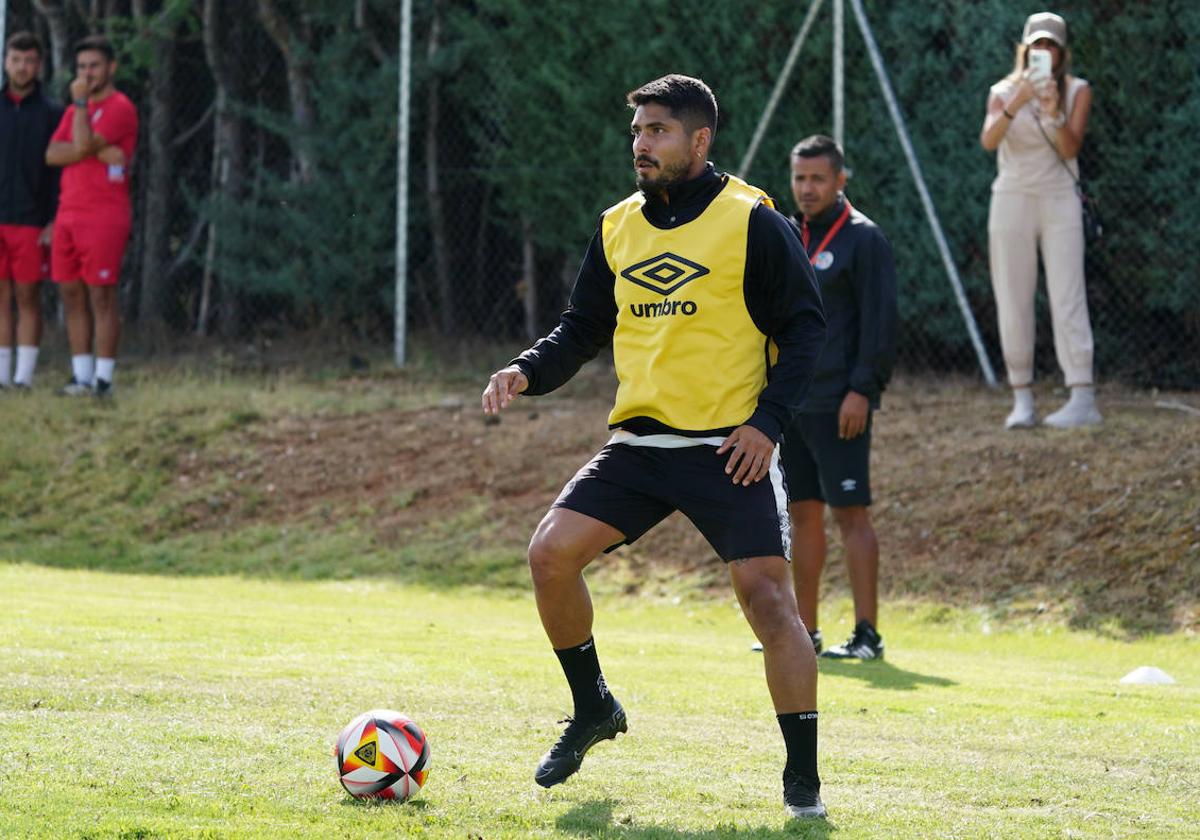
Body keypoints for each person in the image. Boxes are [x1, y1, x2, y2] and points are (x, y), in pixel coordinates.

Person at [481, 75, 829, 819]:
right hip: (640, 445)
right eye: (638, 130)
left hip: (727, 448)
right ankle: (594, 708)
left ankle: (803, 782)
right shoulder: (616, 226)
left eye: (659, 130)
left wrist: (766, 425)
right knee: (549, 555)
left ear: (700, 141)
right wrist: (525, 370)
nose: (642, 143)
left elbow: (806, 330)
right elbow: (581, 328)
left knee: (769, 603)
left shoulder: (753, 221)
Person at [781, 135, 897, 661]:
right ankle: (805, 630)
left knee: (851, 515)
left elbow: (880, 324)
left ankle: (867, 635)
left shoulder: (863, 239)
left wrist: (862, 391)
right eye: (800, 178)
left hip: (841, 403)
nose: (807, 189)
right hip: (791, 405)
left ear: (840, 180)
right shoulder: (785, 234)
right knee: (803, 516)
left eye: (817, 179)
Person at [980, 12, 1100, 429]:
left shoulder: (1076, 90)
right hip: (1011, 198)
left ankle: (1082, 396)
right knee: (1013, 298)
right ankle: (1022, 399)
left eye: (1051, 45)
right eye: (1037, 45)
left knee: (1068, 294)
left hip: (1059, 198)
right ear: (1025, 48)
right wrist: (1019, 100)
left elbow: (1070, 148)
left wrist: (1052, 109)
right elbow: (989, 140)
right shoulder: (1003, 90)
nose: (1043, 52)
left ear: (1062, 52)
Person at [45, 35, 138, 398]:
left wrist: (81, 105)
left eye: (94, 66)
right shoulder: (71, 113)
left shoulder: (119, 107)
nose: (87, 73)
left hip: (104, 214)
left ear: (111, 68)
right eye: (81, 67)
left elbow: (81, 144)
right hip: (68, 211)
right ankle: (80, 376)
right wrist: (89, 149)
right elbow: (52, 154)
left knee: (101, 294)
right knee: (70, 293)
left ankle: (104, 379)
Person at [0, 32, 61, 391]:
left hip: (32, 221)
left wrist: (53, 219)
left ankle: (24, 378)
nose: (22, 68)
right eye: (16, 60)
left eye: (29, 61)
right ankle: (2, 375)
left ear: (39, 65)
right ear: (6, 61)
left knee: (28, 297)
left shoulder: (52, 112)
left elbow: (59, 172)